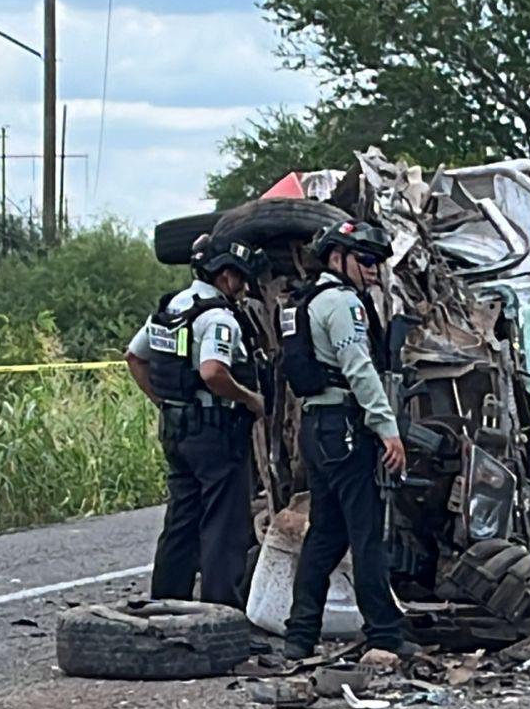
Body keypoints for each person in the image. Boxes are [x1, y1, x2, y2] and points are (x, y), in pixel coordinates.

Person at [280, 219, 417, 661]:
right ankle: (384, 633)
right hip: (343, 425)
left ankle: (299, 635)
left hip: (317, 428)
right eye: (366, 259)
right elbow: (358, 367)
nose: (375, 269)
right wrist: (387, 428)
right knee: (366, 533)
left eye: (378, 262)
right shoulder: (342, 303)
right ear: (338, 259)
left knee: (325, 534)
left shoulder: (309, 301)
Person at [125, 235, 268, 607]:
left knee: (181, 519)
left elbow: (134, 357)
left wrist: (165, 402)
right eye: (238, 276)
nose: (241, 285)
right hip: (215, 431)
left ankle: (166, 601)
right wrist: (252, 400)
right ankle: (222, 610)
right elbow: (213, 372)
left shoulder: (171, 307)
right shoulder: (219, 318)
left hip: (176, 428)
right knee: (225, 522)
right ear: (224, 275)